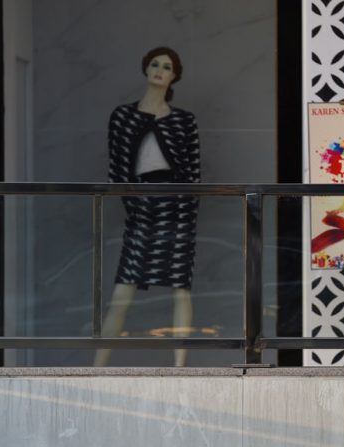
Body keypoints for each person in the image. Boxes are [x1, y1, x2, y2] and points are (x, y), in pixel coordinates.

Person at [95, 46, 201, 367]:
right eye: (154, 64)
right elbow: (117, 168)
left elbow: (193, 173)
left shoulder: (184, 121)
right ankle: (96, 367)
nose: (159, 70)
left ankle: (180, 368)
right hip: (141, 207)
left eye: (166, 67)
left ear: (174, 75)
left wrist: (186, 208)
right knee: (122, 291)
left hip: (177, 206)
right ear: (145, 69)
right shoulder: (123, 117)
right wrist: (131, 202)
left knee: (180, 289)